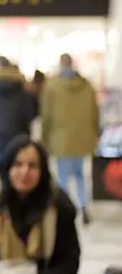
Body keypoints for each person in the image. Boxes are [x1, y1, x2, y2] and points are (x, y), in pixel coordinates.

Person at [0, 136, 80, 274]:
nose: (25, 172)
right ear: (7, 167)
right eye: (18, 164)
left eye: (32, 166)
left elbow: (69, 260)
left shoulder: (57, 204)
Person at [40, 53, 100, 225]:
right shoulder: (87, 86)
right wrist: (95, 134)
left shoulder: (52, 86)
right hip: (82, 137)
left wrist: (45, 138)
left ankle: (63, 209)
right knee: (80, 174)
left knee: (62, 176)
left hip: (61, 138)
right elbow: (95, 112)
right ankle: (83, 205)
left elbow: (46, 116)